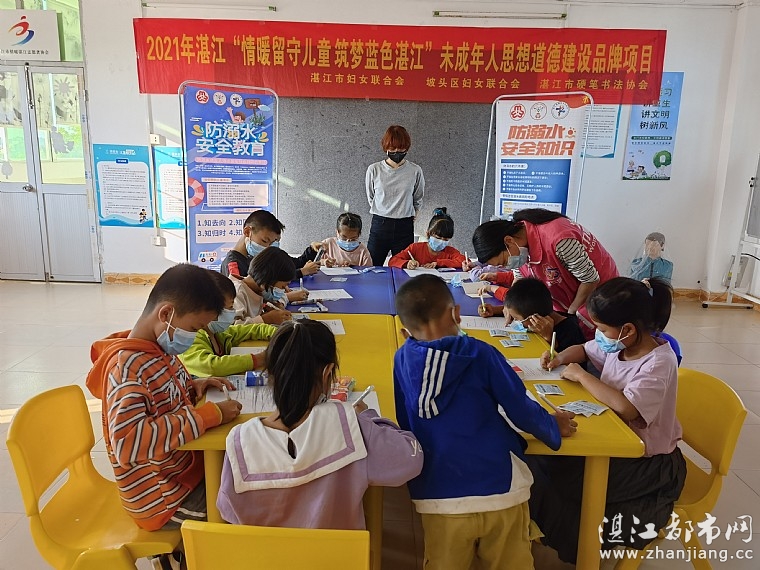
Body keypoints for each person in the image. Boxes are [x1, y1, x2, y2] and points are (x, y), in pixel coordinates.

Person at [393, 274, 577, 570]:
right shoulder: (481, 353)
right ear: (456, 313)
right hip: (499, 485)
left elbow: (406, 422)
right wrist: (553, 426)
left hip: (439, 495)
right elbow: (520, 409)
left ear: (404, 332)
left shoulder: (402, 359)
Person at [531, 277, 686, 563]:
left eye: (602, 329)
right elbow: (584, 349)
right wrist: (559, 357)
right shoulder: (621, 345)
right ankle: (568, 539)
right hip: (615, 440)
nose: (598, 335)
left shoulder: (658, 362)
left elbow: (628, 408)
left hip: (649, 462)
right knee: (544, 459)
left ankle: (581, 546)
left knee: (561, 476)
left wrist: (582, 375)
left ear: (628, 329)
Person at [217, 320, 424, 529]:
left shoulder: (240, 439)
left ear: (269, 375)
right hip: (336, 551)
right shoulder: (352, 426)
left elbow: (228, 510)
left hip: (266, 551)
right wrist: (369, 417)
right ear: (327, 373)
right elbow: (411, 459)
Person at [85, 263, 243, 533]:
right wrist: (209, 415)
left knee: (248, 478)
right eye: (194, 328)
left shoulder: (158, 350)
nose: (194, 337)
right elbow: (127, 442)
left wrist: (193, 385)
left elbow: (162, 399)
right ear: (166, 313)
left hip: (186, 473)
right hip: (163, 499)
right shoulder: (127, 369)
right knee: (248, 507)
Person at [472, 208, 619, 339]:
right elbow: (520, 280)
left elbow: (590, 279)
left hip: (600, 297)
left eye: (504, 262)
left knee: (590, 345)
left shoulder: (559, 239)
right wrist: (508, 306)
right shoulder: (519, 248)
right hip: (568, 301)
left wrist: (571, 315)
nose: (506, 266)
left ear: (508, 241)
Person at [180, 271, 277, 377]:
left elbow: (249, 330)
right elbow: (212, 366)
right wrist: (257, 359)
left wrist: (277, 333)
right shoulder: (190, 339)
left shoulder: (218, 332)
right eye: (230, 307)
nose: (233, 311)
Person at [365, 125, 425, 266]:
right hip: (380, 224)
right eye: (392, 149)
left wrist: (414, 213)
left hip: (404, 225)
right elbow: (371, 197)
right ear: (386, 147)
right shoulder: (374, 169)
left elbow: (418, 197)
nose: (397, 152)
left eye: (401, 149)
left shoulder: (415, 170)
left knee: (404, 267)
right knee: (373, 267)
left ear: (407, 148)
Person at [479, 278, 586, 352]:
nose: (514, 321)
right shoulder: (541, 311)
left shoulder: (571, 332)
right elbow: (517, 311)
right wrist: (494, 310)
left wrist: (548, 338)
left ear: (534, 318)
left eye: (516, 319)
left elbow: (567, 366)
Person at [220, 209, 318, 283]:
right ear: (247, 232)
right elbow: (242, 296)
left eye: (271, 243)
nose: (267, 248)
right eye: (265, 241)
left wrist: (312, 250)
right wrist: (287, 296)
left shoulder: (256, 255)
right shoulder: (233, 265)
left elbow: (293, 264)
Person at [388, 208, 466, 269]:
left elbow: (465, 262)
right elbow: (392, 261)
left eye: (446, 240)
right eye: (438, 238)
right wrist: (407, 263)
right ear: (428, 234)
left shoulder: (450, 251)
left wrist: (439, 263)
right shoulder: (415, 248)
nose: (441, 242)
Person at [237, 246, 297, 325]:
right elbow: (232, 328)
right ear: (268, 279)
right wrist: (266, 319)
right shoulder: (238, 293)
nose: (284, 290)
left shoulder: (258, 289)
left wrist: (273, 308)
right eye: (283, 287)